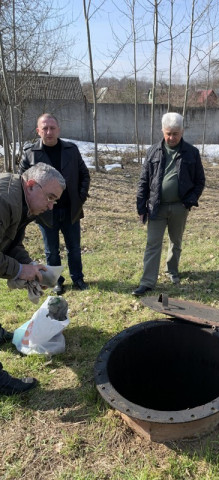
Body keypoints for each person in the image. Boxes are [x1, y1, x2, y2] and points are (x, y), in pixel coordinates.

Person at [0, 162, 66, 395]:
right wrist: (18, 270)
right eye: (49, 197)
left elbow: (10, 243)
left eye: (54, 201)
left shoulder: (22, 202)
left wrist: (27, 265)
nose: (50, 206)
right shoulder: (5, 202)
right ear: (30, 186)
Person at [133, 112, 205, 296]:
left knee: (176, 241)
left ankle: (172, 271)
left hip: (180, 207)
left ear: (182, 131)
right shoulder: (153, 151)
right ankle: (148, 281)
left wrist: (189, 201)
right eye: (168, 133)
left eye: (175, 133)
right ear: (162, 131)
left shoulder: (192, 152)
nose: (171, 137)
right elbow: (143, 180)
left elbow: (200, 181)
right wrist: (141, 206)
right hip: (156, 207)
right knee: (152, 243)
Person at [19, 113, 91, 294]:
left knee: (73, 247)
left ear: (58, 129)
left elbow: (84, 175)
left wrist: (80, 198)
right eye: (44, 128)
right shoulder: (30, 154)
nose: (49, 132)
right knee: (51, 251)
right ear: (38, 131)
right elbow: (22, 183)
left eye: (52, 128)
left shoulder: (71, 150)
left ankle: (78, 279)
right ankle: (56, 281)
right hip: (44, 213)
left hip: (70, 210)